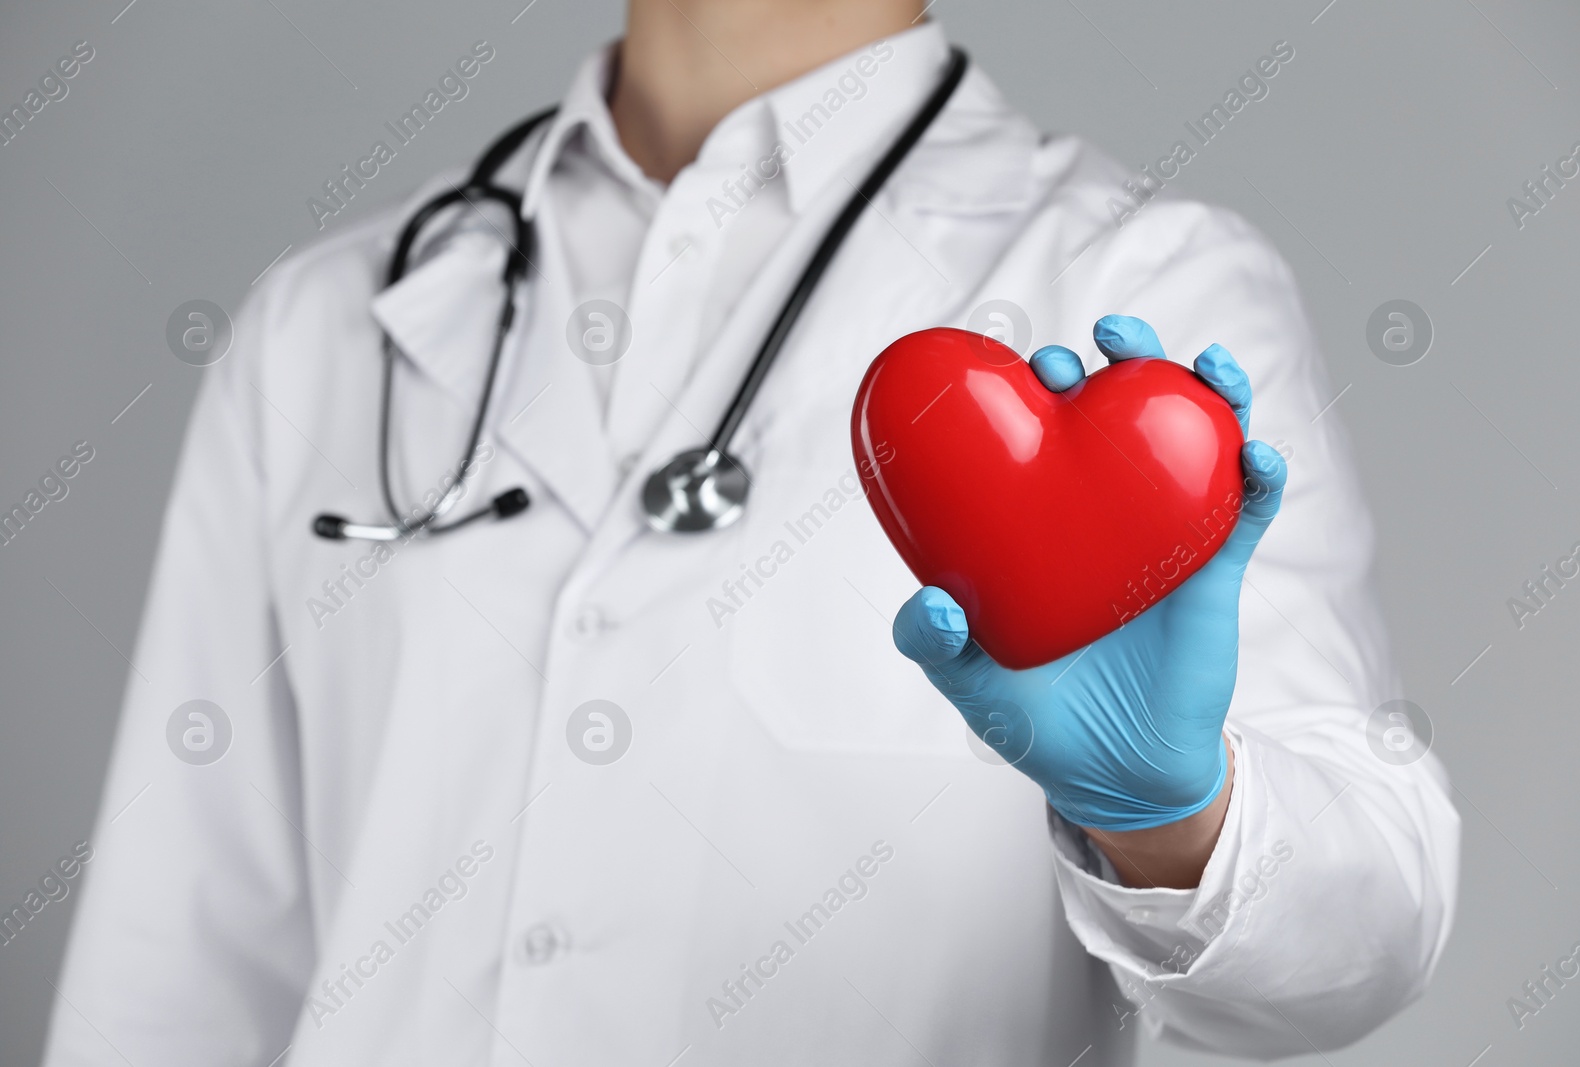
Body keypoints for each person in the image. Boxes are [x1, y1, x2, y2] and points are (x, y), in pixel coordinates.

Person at [42, 1, 1458, 1064]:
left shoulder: (1132, 282)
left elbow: (1367, 926)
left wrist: (1174, 822)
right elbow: (175, 971)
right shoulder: (327, 324)